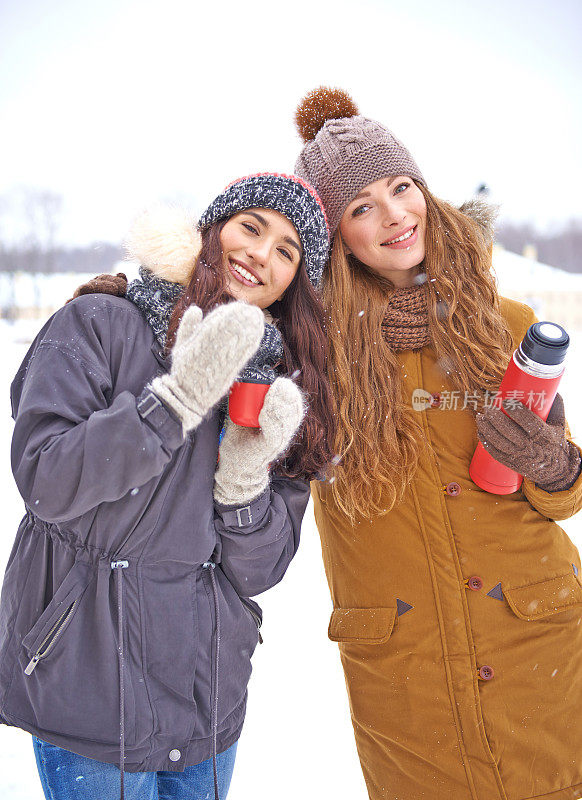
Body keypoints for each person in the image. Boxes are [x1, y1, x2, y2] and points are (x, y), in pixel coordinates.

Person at [0, 173, 333, 800]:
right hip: (91, 690)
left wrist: (241, 485)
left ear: (295, 281)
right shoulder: (100, 322)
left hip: (206, 703)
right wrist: (172, 406)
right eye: (252, 227)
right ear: (214, 230)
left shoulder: (287, 383)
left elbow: (260, 569)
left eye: (287, 250)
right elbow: (45, 478)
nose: (262, 253)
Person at [293, 87, 582, 800]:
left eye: (401, 187)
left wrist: (551, 465)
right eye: (361, 206)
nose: (394, 215)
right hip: (407, 666)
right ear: (337, 235)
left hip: (535, 644)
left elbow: (565, 497)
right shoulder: (311, 356)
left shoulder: (505, 322)